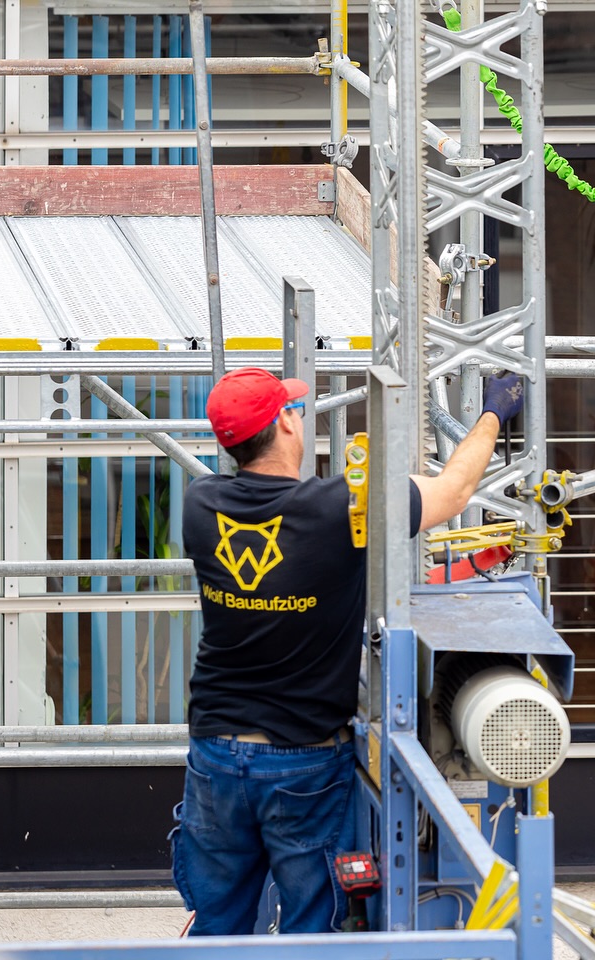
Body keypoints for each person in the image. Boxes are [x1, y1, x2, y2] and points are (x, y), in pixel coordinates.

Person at [170, 365, 523, 935]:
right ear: (285, 425)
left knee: (217, 927)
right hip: (303, 760)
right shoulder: (343, 512)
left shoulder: (200, 506)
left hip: (215, 752)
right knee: (314, 930)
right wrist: (493, 414)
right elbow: (455, 491)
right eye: (293, 410)